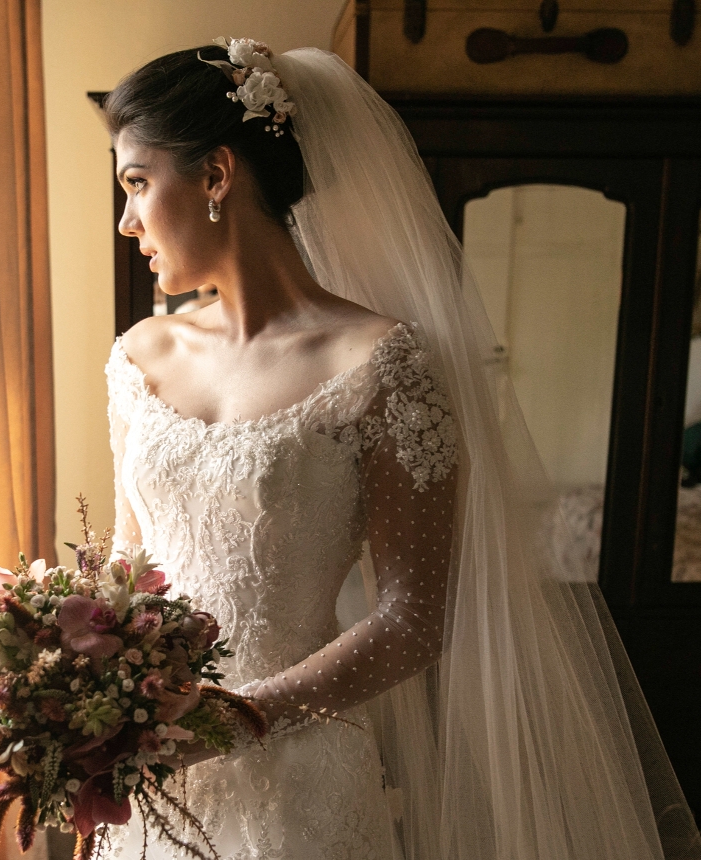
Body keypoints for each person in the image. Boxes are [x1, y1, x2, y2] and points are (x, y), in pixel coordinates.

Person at [100, 41, 700, 860]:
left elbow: (416, 618)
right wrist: (74, 691)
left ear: (215, 175)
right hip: (153, 764)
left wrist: (236, 718)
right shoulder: (140, 356)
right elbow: (127, 564)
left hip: (298, 777)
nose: (127, 219)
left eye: (138, 181)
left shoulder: (383, 364)